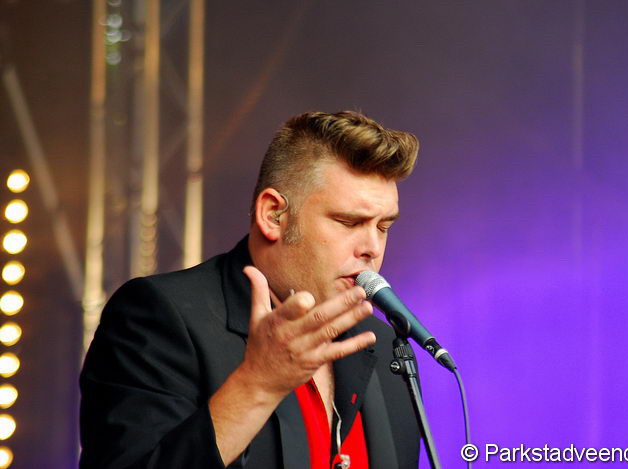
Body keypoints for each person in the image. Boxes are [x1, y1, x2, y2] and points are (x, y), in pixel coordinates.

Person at [80, 111, 421, 468]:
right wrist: (258, 384)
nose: (372, 247)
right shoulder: (158, 314)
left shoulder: (385, 344)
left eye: (383, 227)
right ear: (273, 215)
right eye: (348, 222)